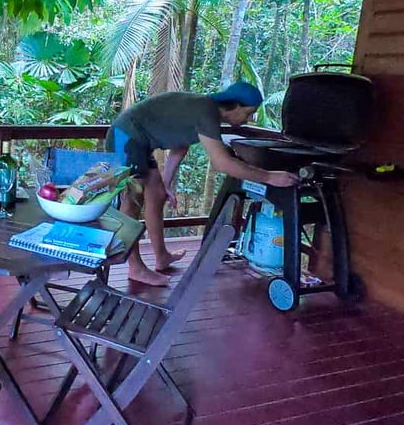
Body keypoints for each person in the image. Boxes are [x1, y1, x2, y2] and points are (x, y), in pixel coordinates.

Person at [105, 81, 299, 286]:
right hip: (126, 137)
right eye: (249, 113)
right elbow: (222, 162)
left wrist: (166, 184)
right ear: (235, 106)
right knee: (131, 205)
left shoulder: (204, 110)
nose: (249, 119)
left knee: (157, 195)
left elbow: (179, 147)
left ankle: (162, 257)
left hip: (140, 141)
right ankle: (135, 268)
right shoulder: (206, 111)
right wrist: (269, 177)